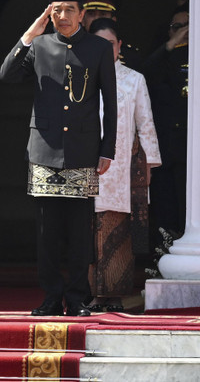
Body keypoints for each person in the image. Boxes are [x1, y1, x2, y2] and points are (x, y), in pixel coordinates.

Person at [0, 0, 117, 317]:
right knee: (47, 234)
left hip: (82, 149)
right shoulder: (39, 45)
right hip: (44, 150)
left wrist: (108, 148)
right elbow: (6, 74)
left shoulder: (97, 48)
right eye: (55, 10)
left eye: (68, 10)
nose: (61, 16)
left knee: (79, 233)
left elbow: (110, 100)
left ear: (81, 13)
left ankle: (78, 297)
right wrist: (29, 34)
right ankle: (51, 296)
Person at [86, 18, 162, 312]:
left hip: (122, 170)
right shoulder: (80, 76)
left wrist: (149, 165)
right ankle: (90, 292)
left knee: (117, 230)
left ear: (119, 46)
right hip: (86, 167)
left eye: (110, 44)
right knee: (89, 231)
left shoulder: (134, 79)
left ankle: (114, 294)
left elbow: (146, 124)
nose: (105, 50)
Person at [144, 3, 189, 251]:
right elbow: (145, 73)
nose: (184, 31)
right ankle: (163, 260)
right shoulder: (163, 58)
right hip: (167, 150)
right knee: (166, 211)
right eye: (178, 26)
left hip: (195, 153)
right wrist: (172, 44)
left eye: (189, 25)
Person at [81, 0, 144, 72]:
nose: (97, 19)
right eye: (91, 14)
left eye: (103, 14)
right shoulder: (72, 51)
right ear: (82, 20)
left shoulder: (130, 57)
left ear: (113, 20)